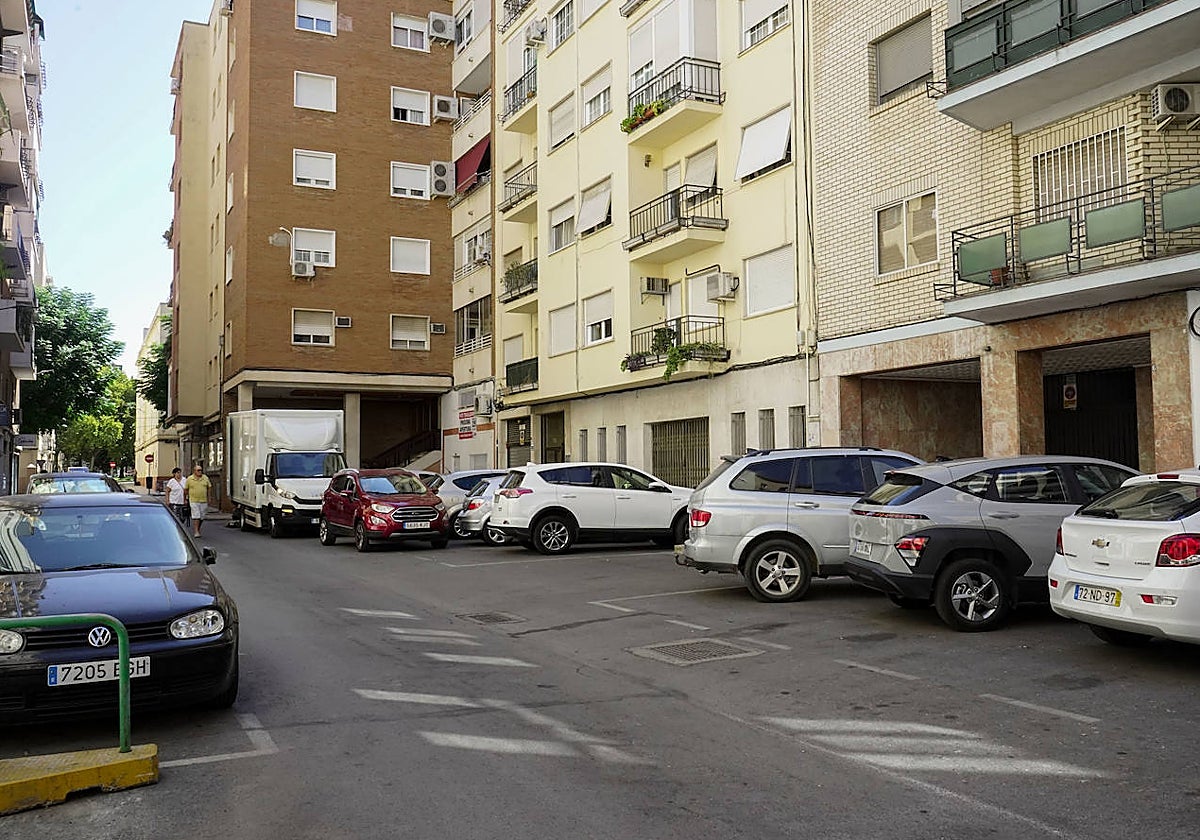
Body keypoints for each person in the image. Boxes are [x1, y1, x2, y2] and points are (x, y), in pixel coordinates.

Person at [184, 463, 212, 538]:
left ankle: (198, 529)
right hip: (193, 500)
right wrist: (186, 498)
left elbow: (209, 488)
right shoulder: (190, 479)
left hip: (203, 500)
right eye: (198, 470)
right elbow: (186, 489)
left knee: (202, 516)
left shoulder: (205, 478)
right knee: (196, 515)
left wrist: (209, 497)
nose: (200, 472)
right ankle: (196, 531)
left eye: (201, 470)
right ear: (194, 471)